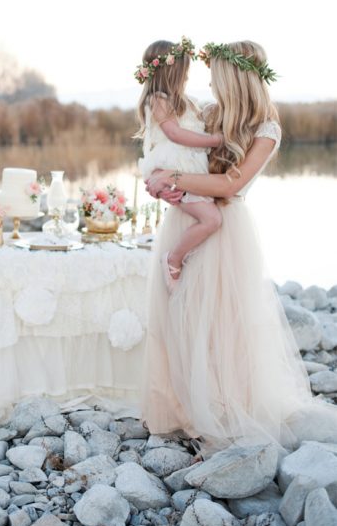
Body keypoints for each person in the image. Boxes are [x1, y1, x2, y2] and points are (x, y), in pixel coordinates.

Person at [141, 40, 337, 455]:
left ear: (234, 77)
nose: (209, 82)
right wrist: (160, 180)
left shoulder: (266, 129)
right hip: (186, 220)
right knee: (177, 318)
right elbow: (174, 148)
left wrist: (171, 177)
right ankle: (178, 408)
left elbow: (231, 184)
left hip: (225, 230)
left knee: (221, 322)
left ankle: (223, 407)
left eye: (215, 75)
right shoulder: (211, 115)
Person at [135, 37, 223, 291]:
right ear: (172, 71)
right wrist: (214, 140)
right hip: (174, 165)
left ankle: (185, 258)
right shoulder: (158, 99)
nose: (186, 77)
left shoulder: (183, 100)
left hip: (187, 169)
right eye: (183, 72)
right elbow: (175, 134)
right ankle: (173, 258)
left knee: (210, 218)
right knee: (212, 220)